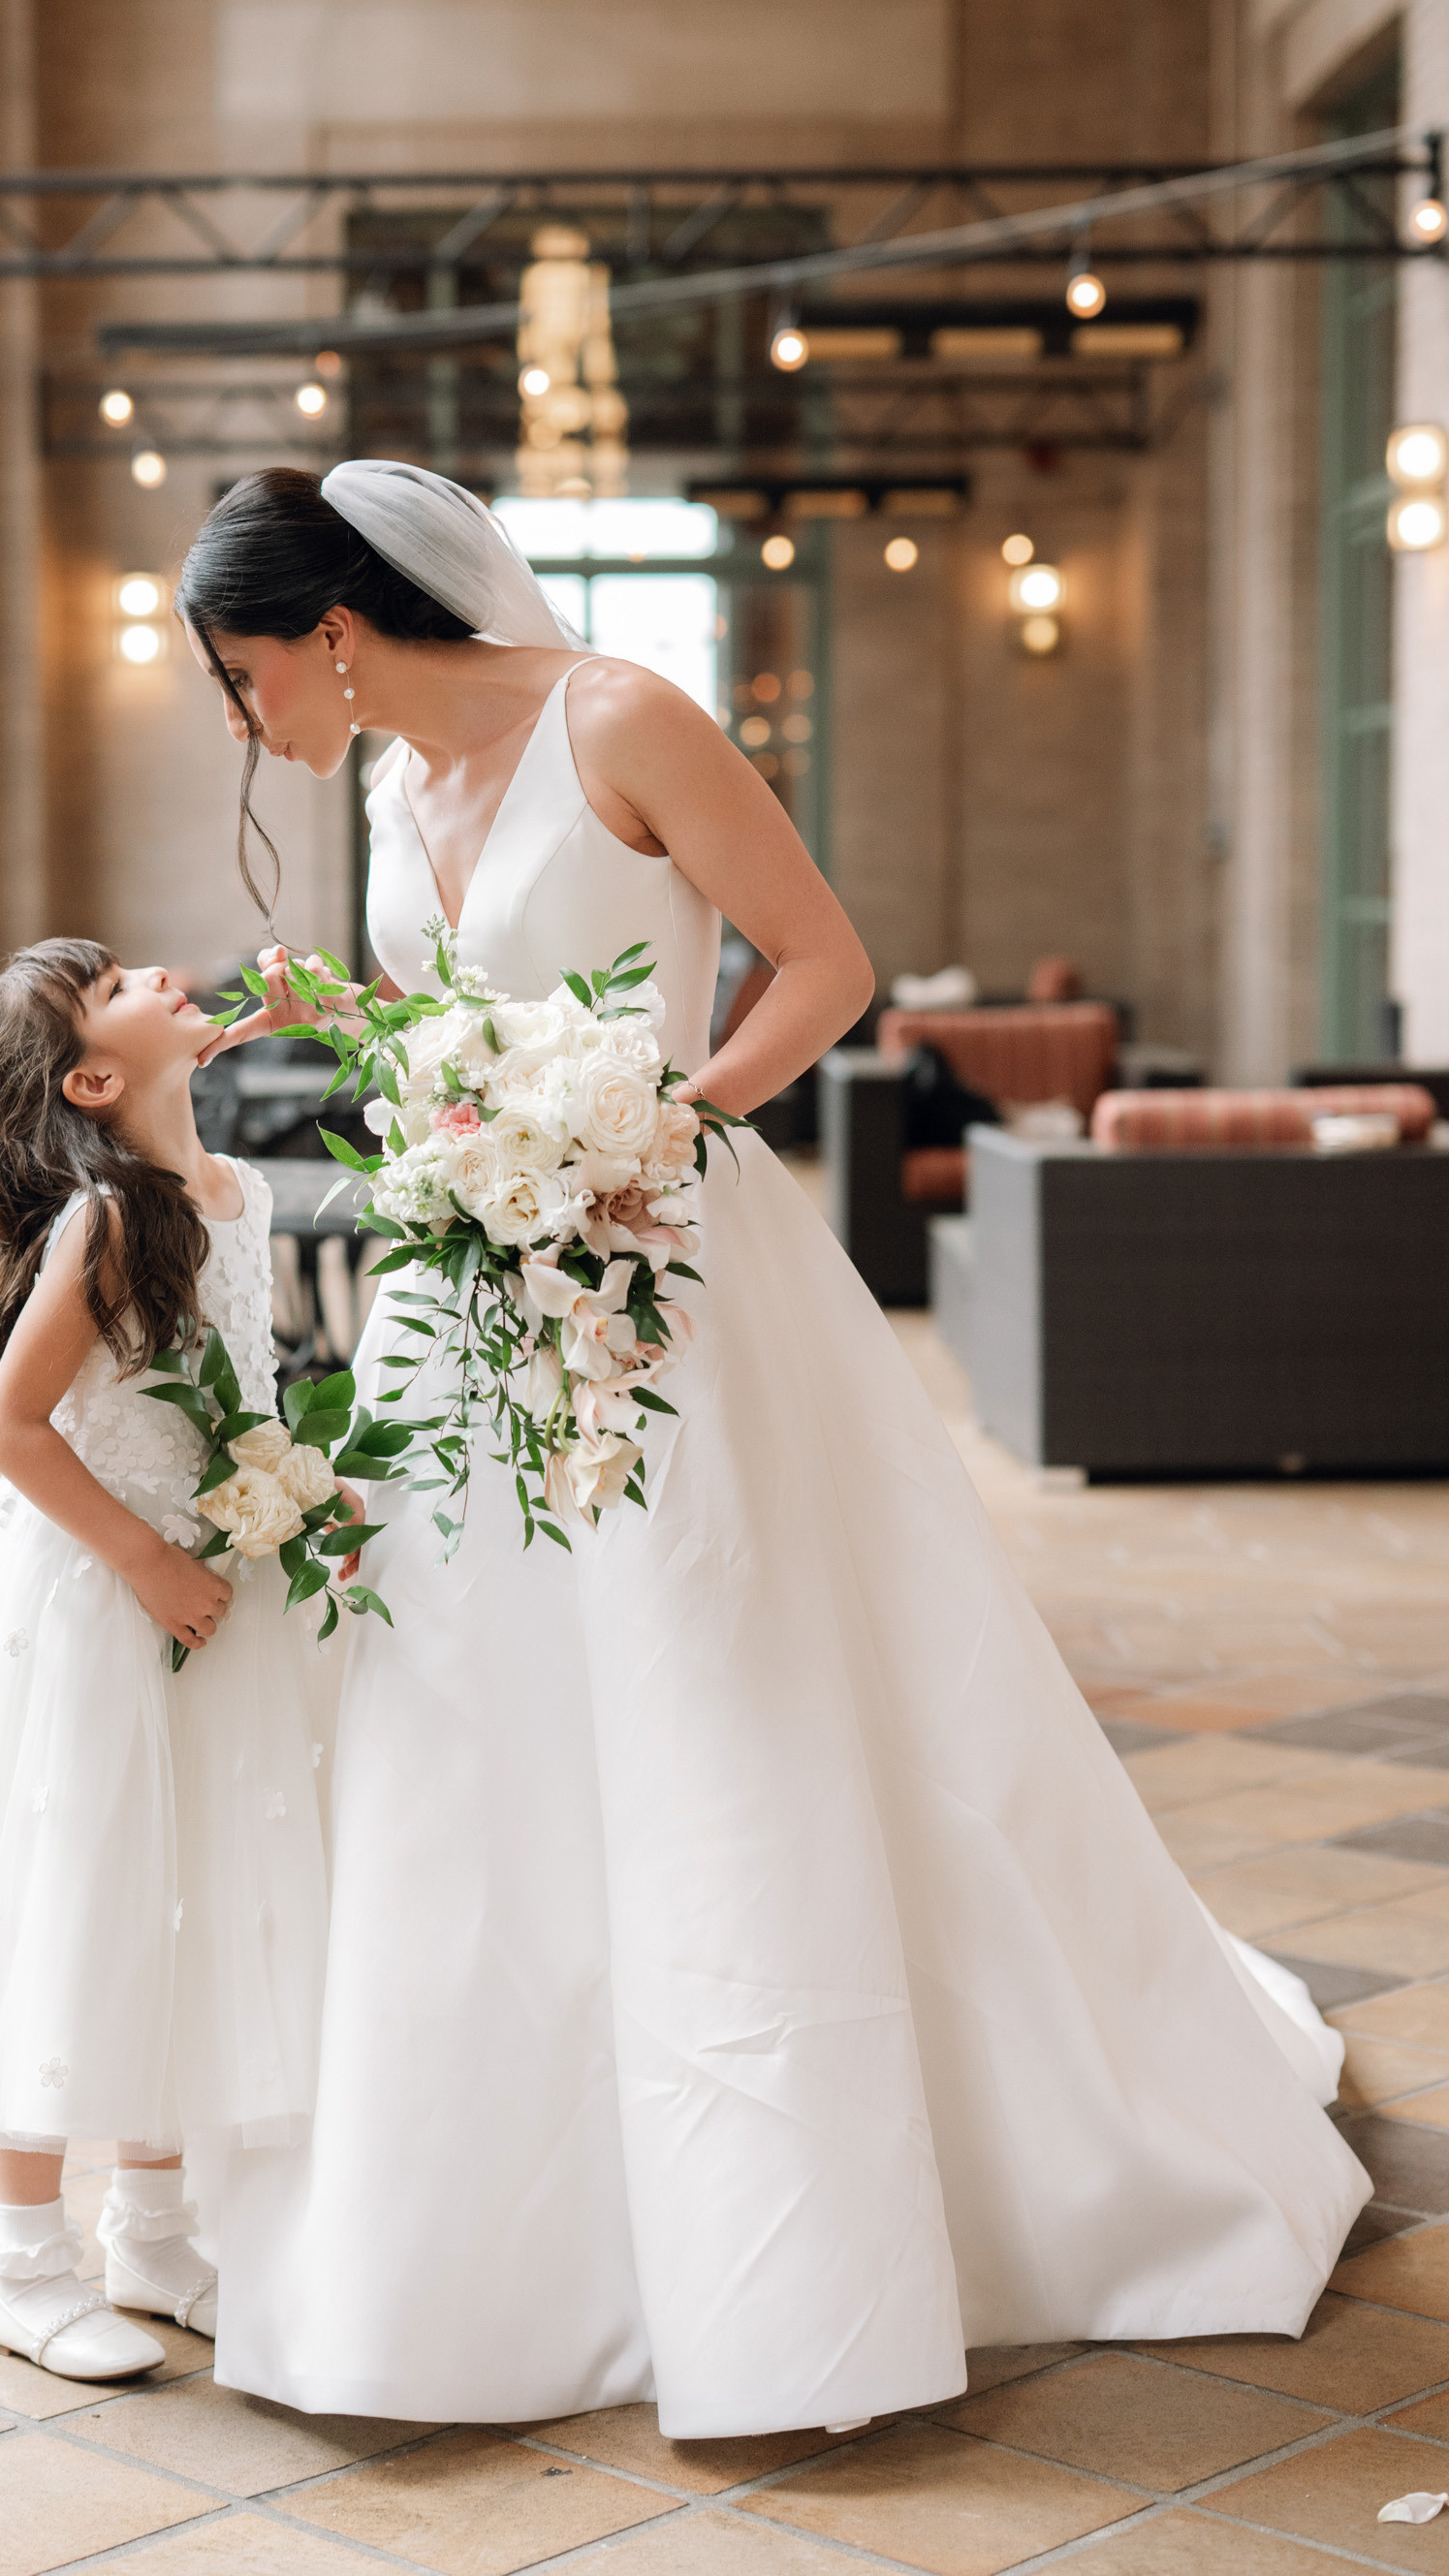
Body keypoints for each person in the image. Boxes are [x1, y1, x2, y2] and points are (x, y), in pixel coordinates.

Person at [177, 461, 1371, 2441]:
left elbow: (823, 964)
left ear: (329, 627)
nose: (245, 724)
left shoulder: (621, 717)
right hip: (468, 1281)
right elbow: (435, 1030)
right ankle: (469, 2215)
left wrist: (654, 1135)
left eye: (241, 676)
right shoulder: (391, 786)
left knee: (701, 1687)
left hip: (662, 1254)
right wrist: (474, 1155)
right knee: (452, 1708)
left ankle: (795, 2212)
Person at [0, 938, 331, 2381]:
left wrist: (258, 1022)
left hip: (201, 1589)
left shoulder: (211, 1189)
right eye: (122, 978)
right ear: (92, 1077)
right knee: (78, 1895)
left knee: (179, 1897)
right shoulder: (112, 1223)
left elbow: (164, 1089)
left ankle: (156, 2231)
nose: (162, 968)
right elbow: (10, 1428)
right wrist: (145, 1557)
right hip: (93, 1595)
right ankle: (22, 2260)